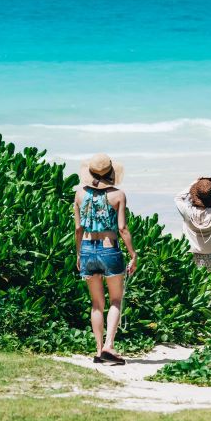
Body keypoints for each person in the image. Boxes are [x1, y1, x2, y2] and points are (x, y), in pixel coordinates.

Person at [74, 153, 137, 366]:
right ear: (111, 173)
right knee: (116, 300)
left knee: (96, 304)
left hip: (86, 249)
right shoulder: (118, 195)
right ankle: (109, 345)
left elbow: (78, 228)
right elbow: (122, 228)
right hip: (110, 249)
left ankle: (98, 350)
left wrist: (78, 254)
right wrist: (133, 254)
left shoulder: (79, 194)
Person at [175, 177, 211, 296]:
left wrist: (194, 183)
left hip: (191, 254)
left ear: (196, 195)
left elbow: (178, 198)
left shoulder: (187, 211)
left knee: (195, 288)